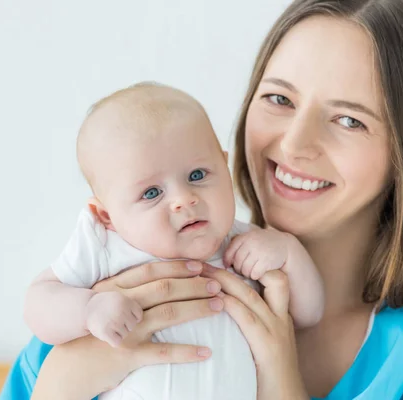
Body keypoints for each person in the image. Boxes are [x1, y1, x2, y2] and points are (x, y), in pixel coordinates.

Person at [0, 0, 403, 399]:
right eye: (279, 98)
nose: (294, 145)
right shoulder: (102, 296)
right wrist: (61, 384)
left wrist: (280, 377)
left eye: (349, 119)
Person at [21, 82, 323, 400]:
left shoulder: (246, 244)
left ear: (224, 167)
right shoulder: (105, 246)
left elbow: (310, 313)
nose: (184, 199)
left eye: (197, 175)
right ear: (107, 215)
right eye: (152, 193)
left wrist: (289, 252)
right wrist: (89, 310)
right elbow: (38, 303)